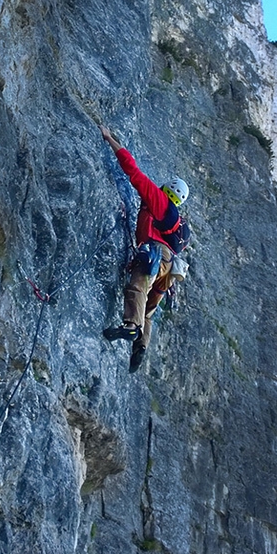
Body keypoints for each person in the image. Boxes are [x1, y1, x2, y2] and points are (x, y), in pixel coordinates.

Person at [100, 125, 190, 373]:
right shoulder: (177, 220)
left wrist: (110, 138)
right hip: (170, 270)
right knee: (149, 310)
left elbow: (134, 173)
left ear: (168, 189)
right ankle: (141, 346)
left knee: (138, 286)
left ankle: (130, 326)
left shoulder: (160, 202)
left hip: (156, 256)